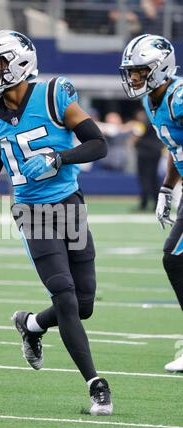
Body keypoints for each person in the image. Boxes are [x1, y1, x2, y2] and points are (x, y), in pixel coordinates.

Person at [0, 30, 113, 415]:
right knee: (66, 298)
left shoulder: (54, 95)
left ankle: (31, 325)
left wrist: (59, 158)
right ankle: (95, 385)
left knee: (84, 304)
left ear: (20, 63)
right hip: (31, 213)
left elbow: (98, 144)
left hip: (70, 205)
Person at [120, 34, 183, 372]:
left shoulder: (179, 98)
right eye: (130, 72)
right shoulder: (151, 101)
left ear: (160, 69)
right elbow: (177, 150)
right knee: (175, 258)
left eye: (139, 71)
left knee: (175, 257)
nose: (133, 78)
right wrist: (166, 189)